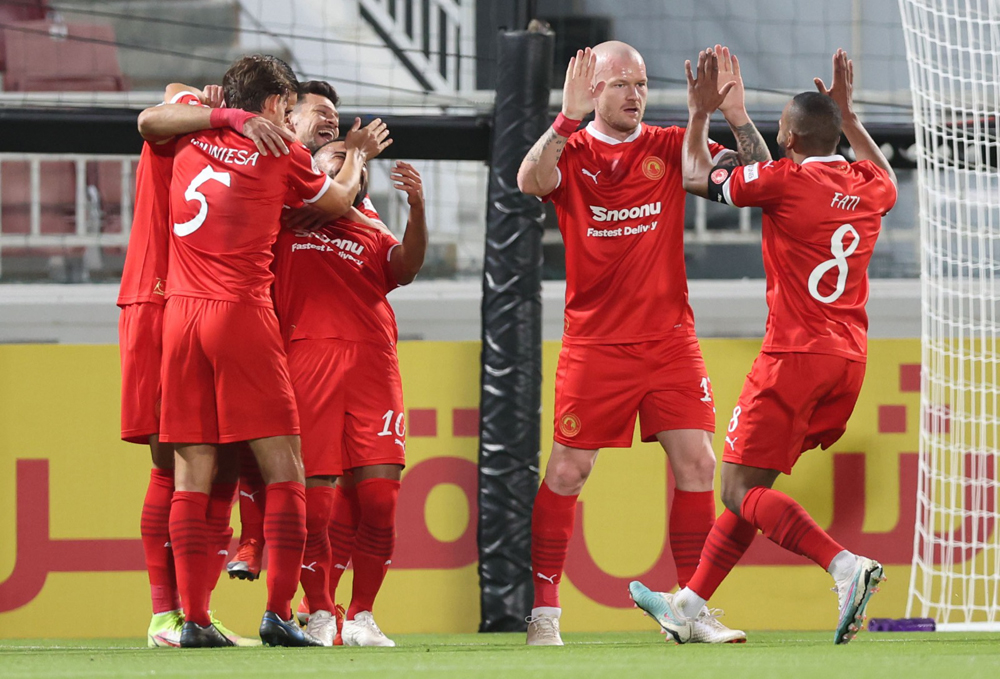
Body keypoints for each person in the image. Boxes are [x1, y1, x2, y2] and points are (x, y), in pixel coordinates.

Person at [629, 48, 895, 646]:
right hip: (847, 359)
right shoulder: (865, 183)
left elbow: (697, 175)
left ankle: (844, 567)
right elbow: (890, 178)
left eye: (778, 127)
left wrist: (700, 116)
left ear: (792, 137)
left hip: (793, 356)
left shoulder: (785, 182)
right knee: (754, 489)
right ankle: (689, 605)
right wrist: (848, 119)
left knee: (737, 490)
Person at [516, 41, 770, 646]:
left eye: (641, 83)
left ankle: (687, 608)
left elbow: (756, 173)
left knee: (699, 464)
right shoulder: (571, 148)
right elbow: (529, 181)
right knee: (568, 471)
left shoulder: (668, 145)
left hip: (669, 340)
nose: (635, 94)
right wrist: (563, 118)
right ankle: (544, 612)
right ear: (592, 91)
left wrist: (735, 117)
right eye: (621, 84)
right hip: (596, 343)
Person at [139, 53, 391, 647]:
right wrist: (355, 153)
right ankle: (280, 612)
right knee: (286, 468)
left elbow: (150, 119)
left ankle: (193, 620)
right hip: (241, 313)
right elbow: (335, 202)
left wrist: (217, 115)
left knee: (192, 470)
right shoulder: (283, 154)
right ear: (278, 106)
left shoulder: (189, 133)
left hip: (179, 315)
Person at [120, 81, 292, 647]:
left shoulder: (209, 133)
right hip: (159, 297)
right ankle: (166, 615)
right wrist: (224, 113)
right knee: (172, 464)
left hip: (186, 303)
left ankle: (195, 612)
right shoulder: (194, 119)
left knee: (215, 463)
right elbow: (155, 112)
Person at [269, 140, 427, 646]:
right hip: (307, 360)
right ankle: (319, 611)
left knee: (381, 498)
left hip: (374, 364)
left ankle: (361, 614)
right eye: (330, 160)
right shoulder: (288, 221)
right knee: (314, 505)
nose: (341, 165)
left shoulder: (373, 233)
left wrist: (417, 211)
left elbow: (406, 267)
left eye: (349, 162)